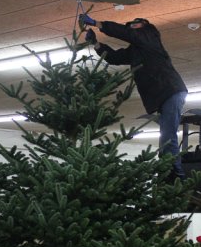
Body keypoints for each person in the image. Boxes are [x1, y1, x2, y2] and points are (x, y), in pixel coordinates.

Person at [80, 13, 188, 180]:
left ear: (144, 25)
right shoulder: (137, 50)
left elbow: (128, 34)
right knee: (166, 133)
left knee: (168, 134)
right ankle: (168, 170)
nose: (131, 26)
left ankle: (175, 173)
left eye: (135, 24)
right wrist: (96, 44)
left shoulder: (150, 37)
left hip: (171, 90)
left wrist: (97, 23)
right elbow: (115, 58)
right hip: (163, 94)